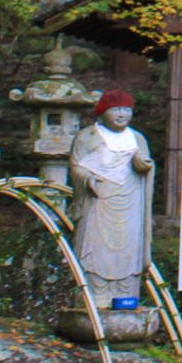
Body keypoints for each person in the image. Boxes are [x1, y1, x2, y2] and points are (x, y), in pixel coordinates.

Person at [68, 89, 154, 306]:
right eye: (115, 109)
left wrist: (143, 165)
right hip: (98, 201)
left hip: (131, 202)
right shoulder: (87, 137)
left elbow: (147, 166)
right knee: (95, 249)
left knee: (129, 250)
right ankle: (93, 297)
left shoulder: (137, 138)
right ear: (103, 111)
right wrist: (87, 179)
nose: (121, 114)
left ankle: (126, 296)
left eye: (126, 109)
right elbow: (76, 167)